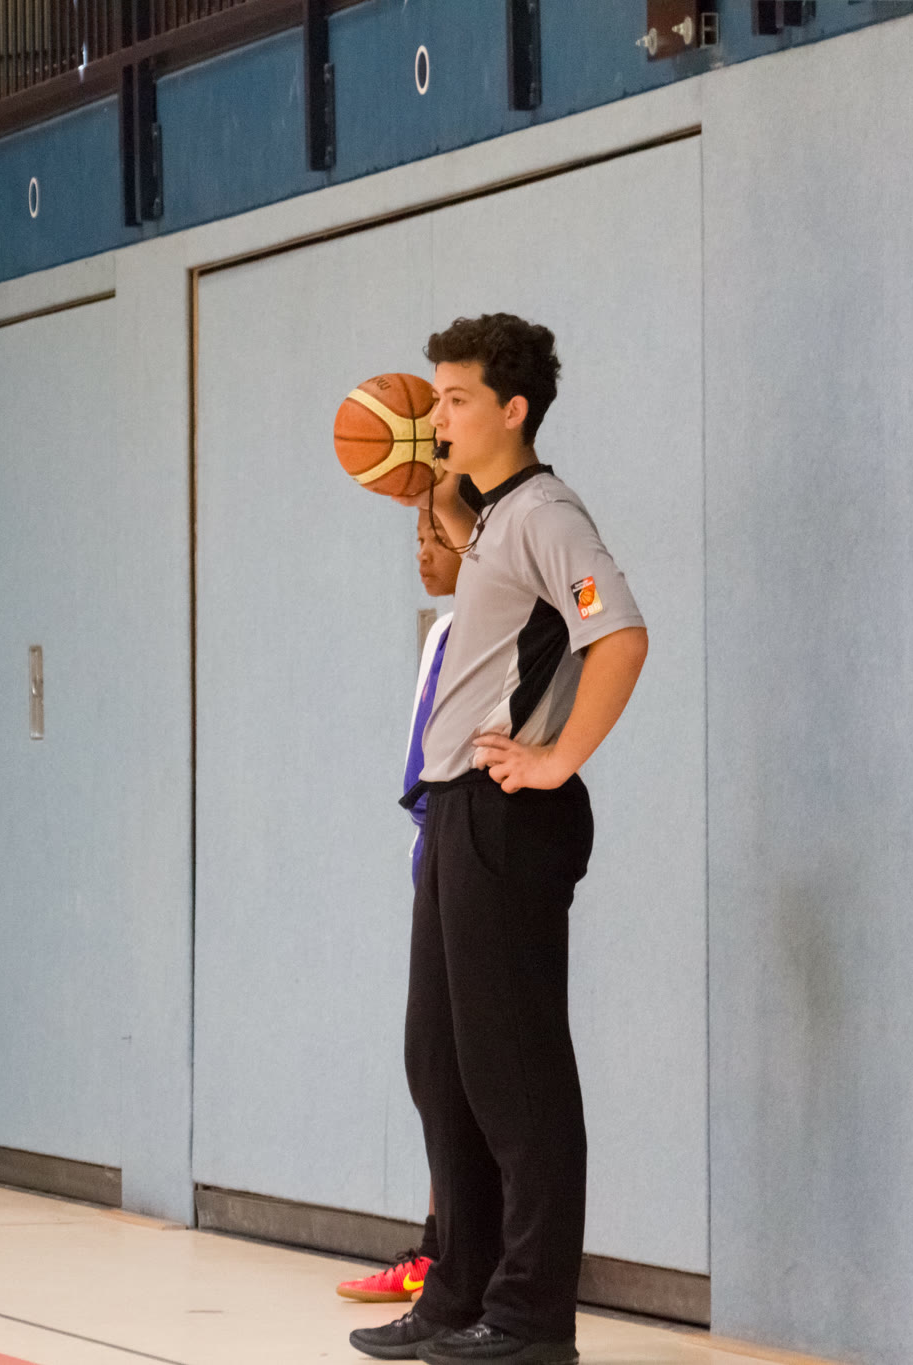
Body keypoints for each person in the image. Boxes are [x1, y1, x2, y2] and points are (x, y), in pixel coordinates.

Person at [349, 315, 648, 1365]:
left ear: (513, 409)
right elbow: (469, 534)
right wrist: (433, 486)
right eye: (432, 398)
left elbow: (618, 631)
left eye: (456, 399)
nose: (436, 416)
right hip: (454, 812)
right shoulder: (493, 518)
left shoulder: (545, 514)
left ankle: (529, 1320)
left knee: (515, 1074)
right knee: (442, 1064)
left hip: (507, 817)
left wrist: (557, 758)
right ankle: (456, 1294)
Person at [335, 510, 460, 1306]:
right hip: (438, 858)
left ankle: (462, 1255)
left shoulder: (511, 628)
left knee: (469, 1073)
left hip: (488, 868)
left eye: (434, 538)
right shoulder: (441, 635)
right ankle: (439, 1248)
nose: (421, 552)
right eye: (415, 539)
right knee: (432, 1063)